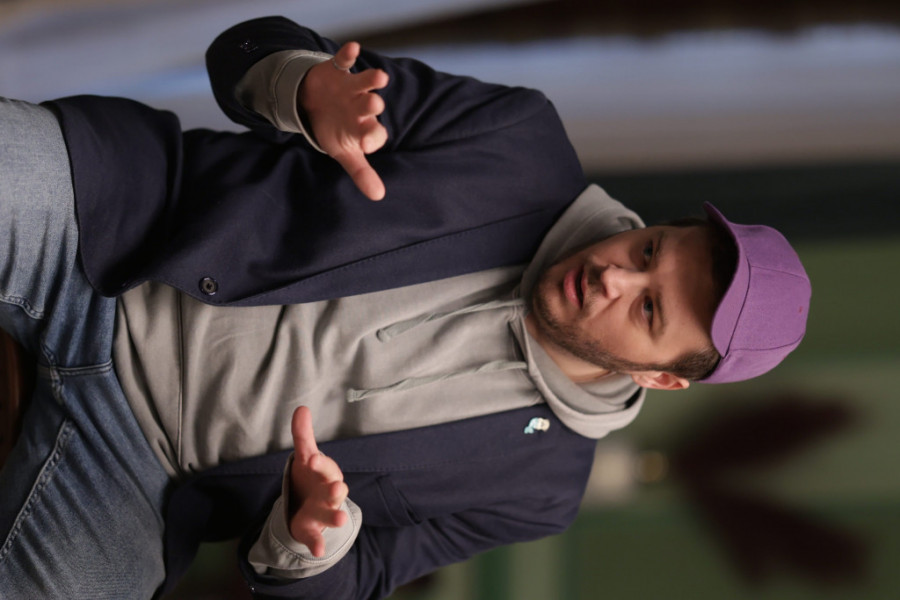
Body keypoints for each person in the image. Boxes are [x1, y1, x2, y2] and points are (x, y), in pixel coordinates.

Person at [0, 16, 810, 600]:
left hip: (137, 472)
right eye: (648, 251)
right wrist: (306, 88)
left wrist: (314, 538)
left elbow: (355, 580)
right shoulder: (517, 141)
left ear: (663, 379)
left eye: (648, 311)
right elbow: (248, 48)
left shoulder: (539, 489)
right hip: (105, 225)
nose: (613, 278)